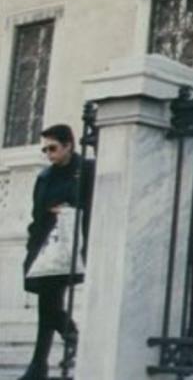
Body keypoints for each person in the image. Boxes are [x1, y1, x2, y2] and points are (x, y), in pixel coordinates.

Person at [19, 124, 94, 380]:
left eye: (53, 148)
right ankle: (68, 341)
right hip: (46, 249)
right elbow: (37, 215)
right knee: (48, 305)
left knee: (48, 305)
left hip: (73, 245)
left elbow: (95, 205)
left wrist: (68, 209)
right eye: (45, 150)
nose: (48, 154)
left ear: (68, 145)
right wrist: (32, 248)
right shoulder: (45, 177)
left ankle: (40, 364)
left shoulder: (86, 170)